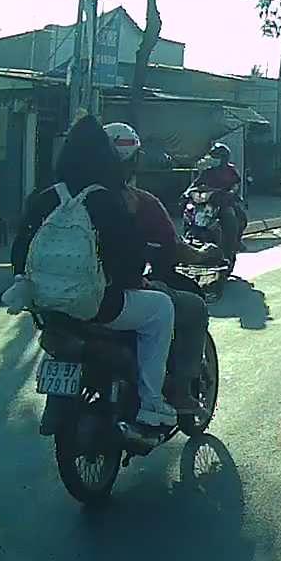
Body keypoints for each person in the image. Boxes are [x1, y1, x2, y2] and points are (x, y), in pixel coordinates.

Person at [11, 116, 177, 428]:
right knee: (162, 309)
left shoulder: (44, 197)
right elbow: (128, 258)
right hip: (98, 306)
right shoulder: (106, 199)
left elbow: (20, 248)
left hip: (47, 307)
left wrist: (25, 282)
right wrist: (134, 280)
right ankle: (152, 402)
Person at [105, 122, 214, 416]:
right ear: (134, 160)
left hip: (62, 301)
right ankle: (177, 392)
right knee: (191, 308)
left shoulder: (63, 196)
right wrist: (202, 255)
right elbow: (172, 246)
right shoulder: (134, 201)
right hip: (115, 297)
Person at [196, 142, 245, 260]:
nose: (213, 158)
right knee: (190, 212)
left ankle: (233, 243)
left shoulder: (231, 170)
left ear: (224, 158)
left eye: (216, 156)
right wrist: (187, 193)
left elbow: (236, 185)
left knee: (236, 217)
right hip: (206, 202)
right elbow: (196, 184)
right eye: (213, 156)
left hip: (224, 202)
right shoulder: (207, 171)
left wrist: (231, 192)